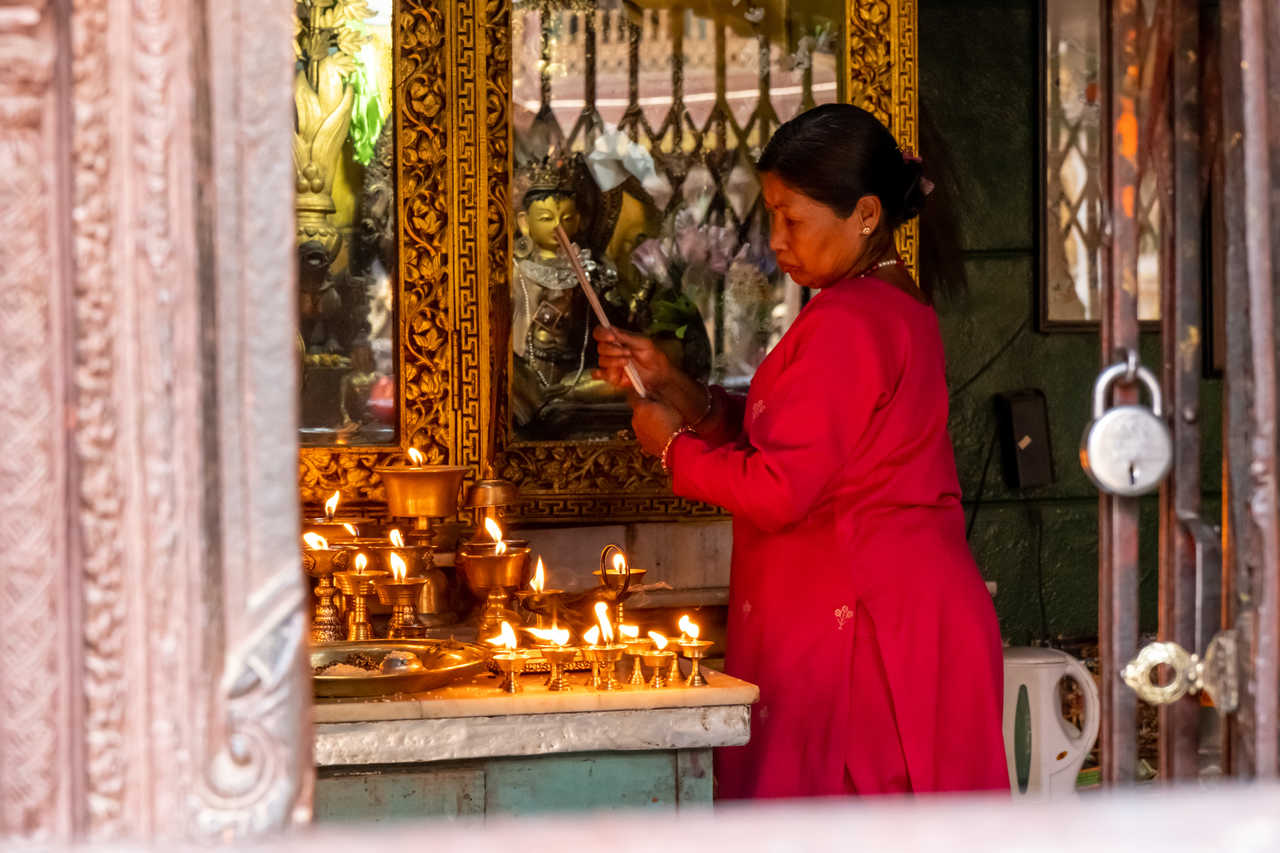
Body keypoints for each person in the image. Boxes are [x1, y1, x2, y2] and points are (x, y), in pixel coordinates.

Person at [592, 103, 1008, 797]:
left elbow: (781, 487)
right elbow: (791, 444)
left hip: (867, 629)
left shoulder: (848, 319)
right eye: (773, 216)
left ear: (866, 215)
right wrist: (672, 383)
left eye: (793, 219)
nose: (777, 240)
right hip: (903, 612)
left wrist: (672, 452)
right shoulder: (885, 302)